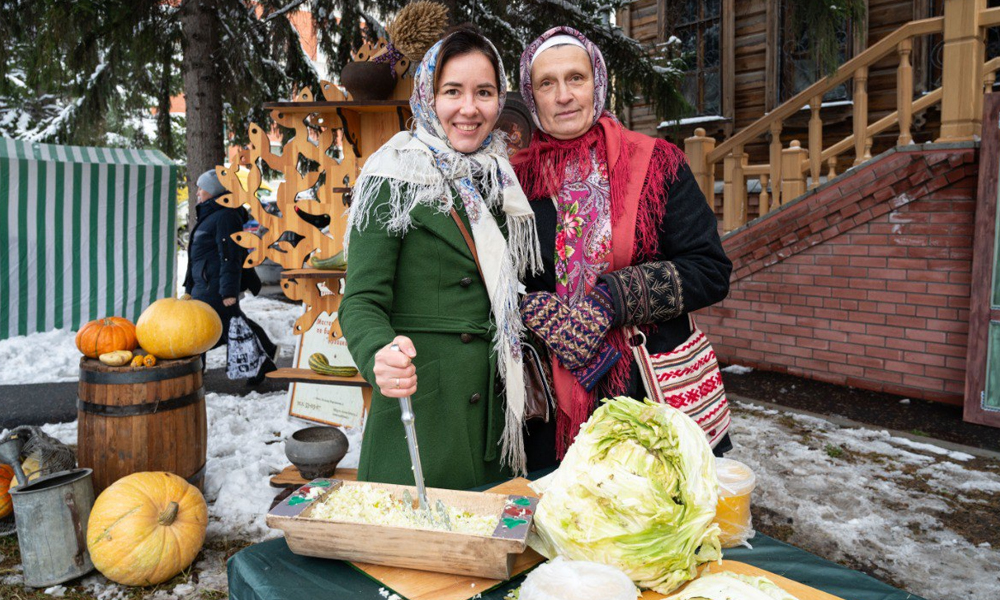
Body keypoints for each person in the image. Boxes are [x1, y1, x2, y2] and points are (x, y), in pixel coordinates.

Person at [513, 27, 734, 468]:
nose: (563, 96)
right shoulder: (512, 181)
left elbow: (710, 269)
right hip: (548, 408)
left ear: (598, 82)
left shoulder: (655, 163)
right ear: (530, 96)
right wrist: (526, 307)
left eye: (576, 78)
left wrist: (613, 298)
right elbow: (492, 280)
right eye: (546, 83)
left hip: (644, 395)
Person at [338, 27, 542, 490]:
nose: (469, 108)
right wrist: (378, 353)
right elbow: (361, 300)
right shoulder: (391, 177)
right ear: (428, 97)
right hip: (423, 412)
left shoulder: (501, 180)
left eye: (484, 92)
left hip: (494, 421)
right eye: (452, 91)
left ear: (500, 99)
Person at [183, 168, 277, 385]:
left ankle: (259, 364)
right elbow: (196, 256)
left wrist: (228, 291)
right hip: (204, 284)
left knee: (211, 327)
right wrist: (189, 286)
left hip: (215, 286)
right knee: (230, 324)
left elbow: (230, 256)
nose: (198, 192)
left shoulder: (225, 216)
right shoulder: (210, 214)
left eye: (201, 188)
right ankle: (263, 360)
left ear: (213, 191)